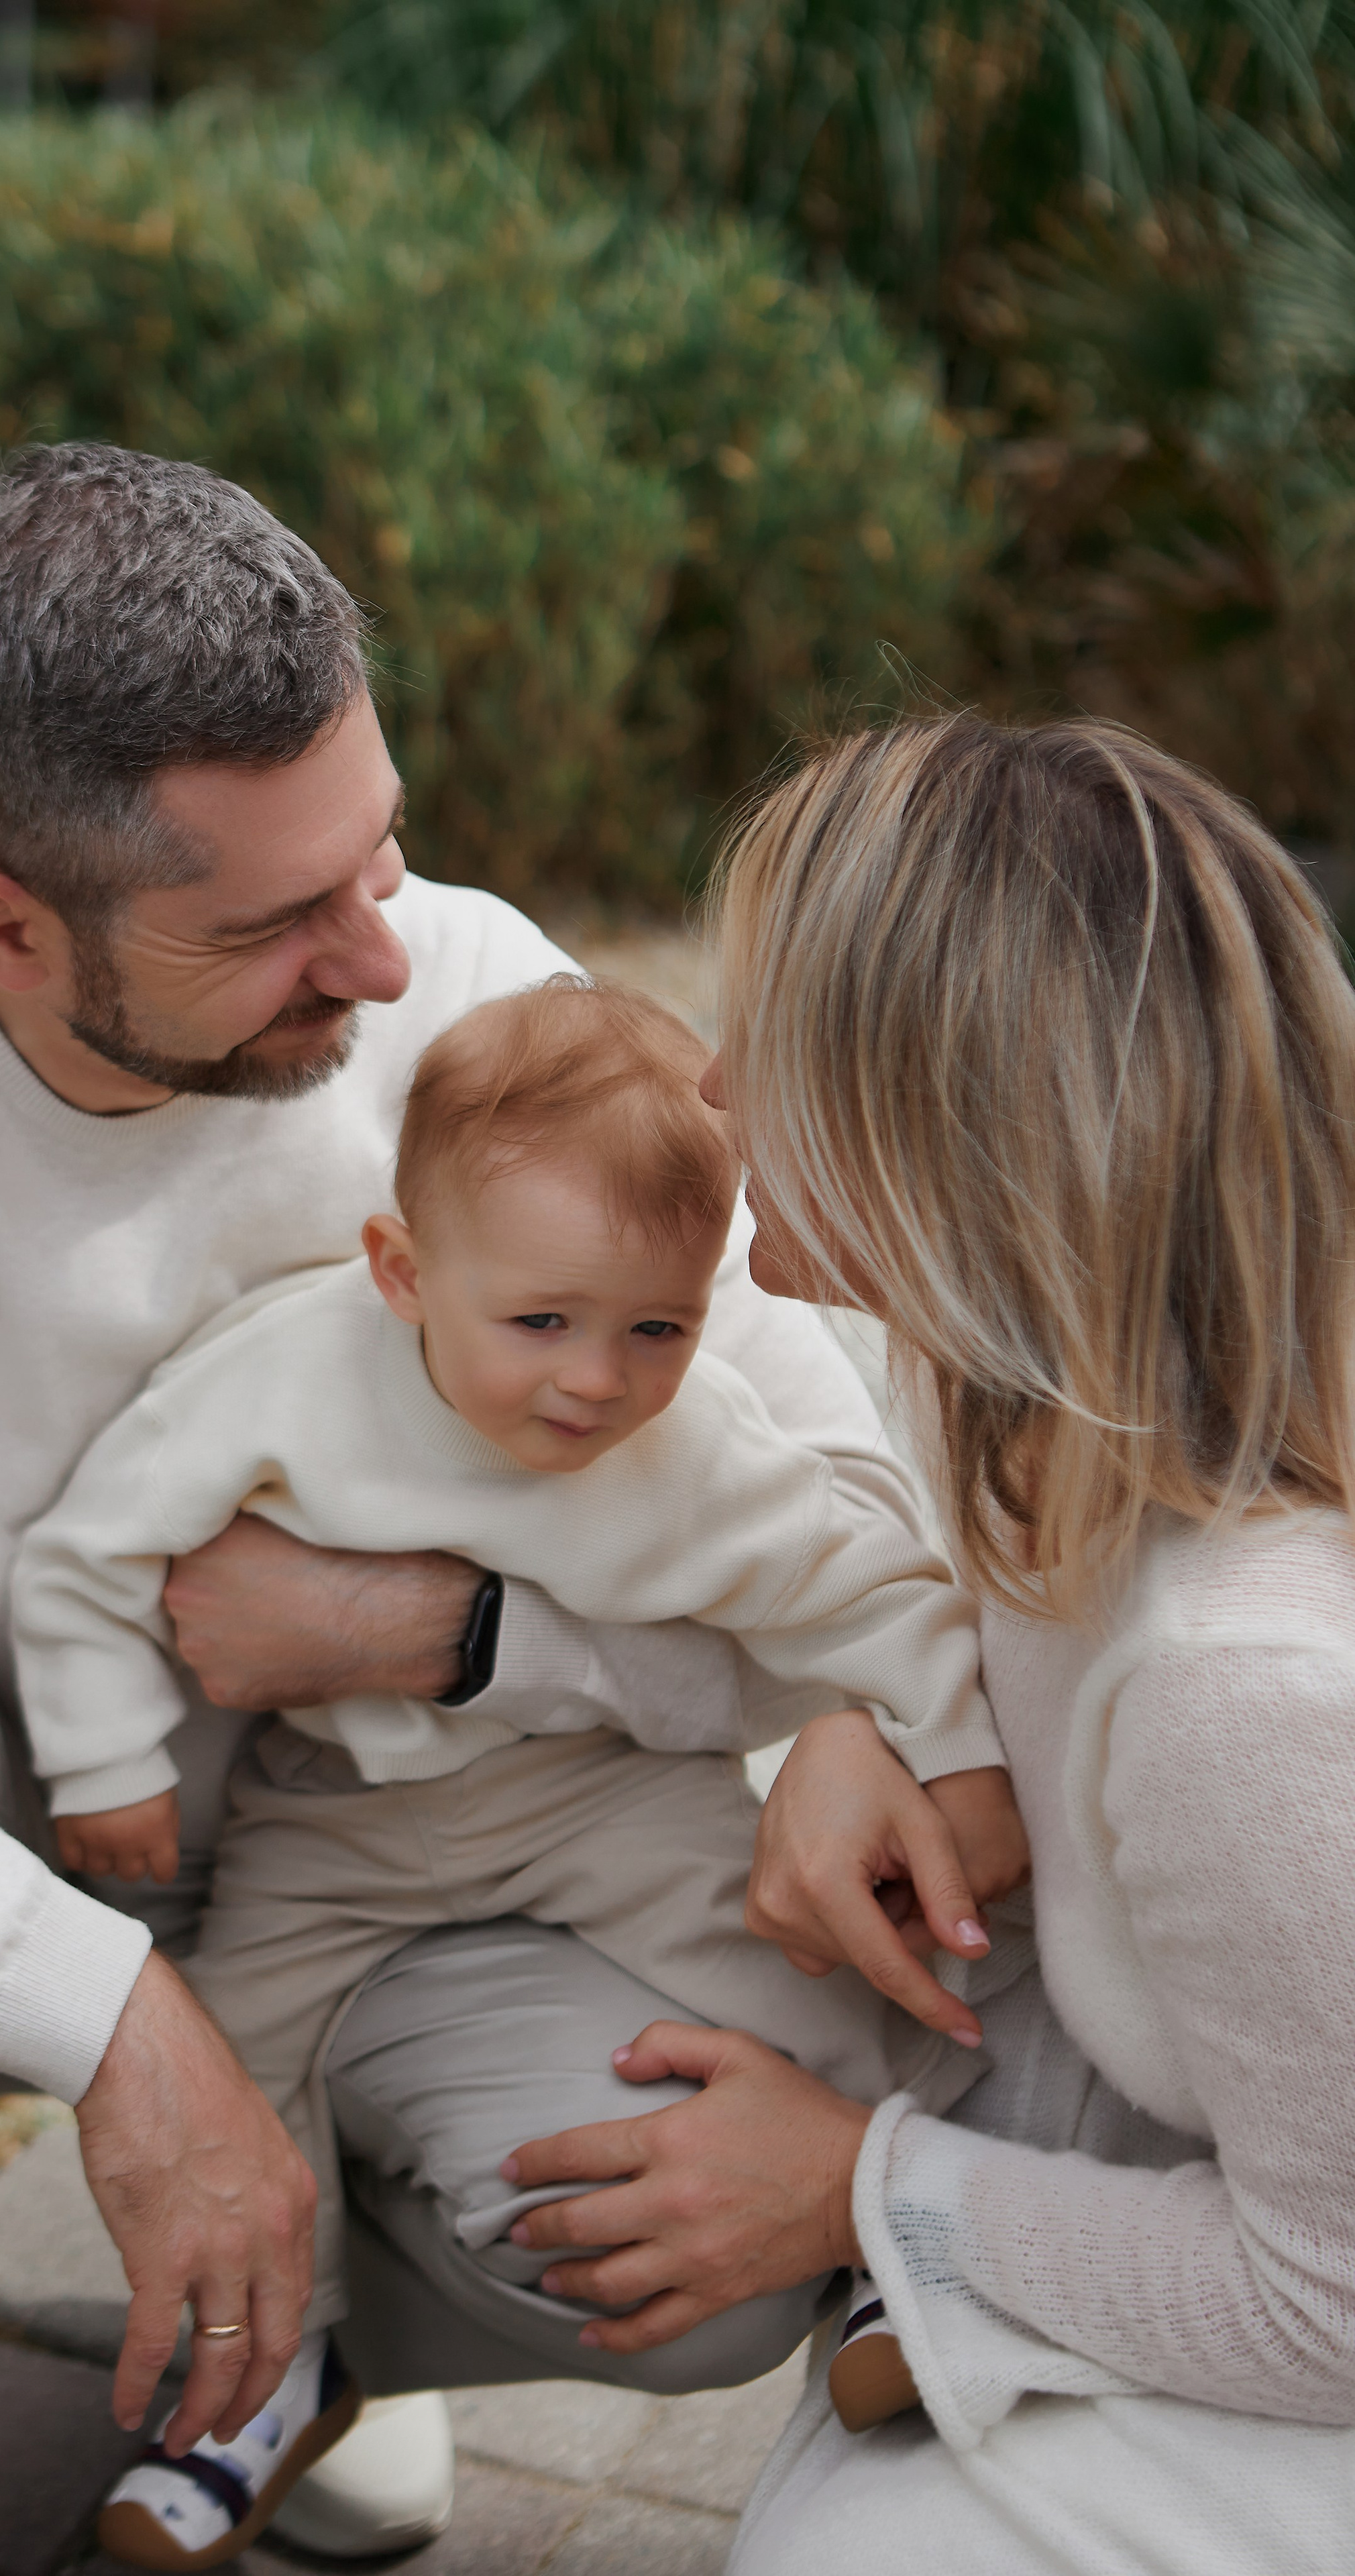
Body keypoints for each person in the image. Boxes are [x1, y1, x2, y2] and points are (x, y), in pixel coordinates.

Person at [0, 440, 962, 2576]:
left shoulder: (466, 994)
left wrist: (589, 1668)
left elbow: (828, 1482)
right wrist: (96, 2013)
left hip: (415, 1867)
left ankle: (315, 2348)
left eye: (384, 851)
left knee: (690, 2244)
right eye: (269, 924)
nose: (378, 962)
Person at [498, 714, 1355, 2573]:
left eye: (769, 1054)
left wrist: (856, 2191)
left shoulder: (1250, 1682)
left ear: (940, 1137)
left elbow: (1345, 2301)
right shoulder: (1024, 1413)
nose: (712, 1096)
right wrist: (853, 1726)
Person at [9, 975, 1001, 2568]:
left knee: (779, 1961)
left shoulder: (696, 1451)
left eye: (655, 1327)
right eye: (539, 1320)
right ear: (402, 1272)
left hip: (588, 1790)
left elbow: (874, 1591)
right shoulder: (287, 1374)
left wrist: (950, 1759)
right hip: (337, 1813)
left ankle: (907, 2239)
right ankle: (275, 2361)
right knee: (231, 2044)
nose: (594, 1381)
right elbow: (88, 1551)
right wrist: (101, 1755)